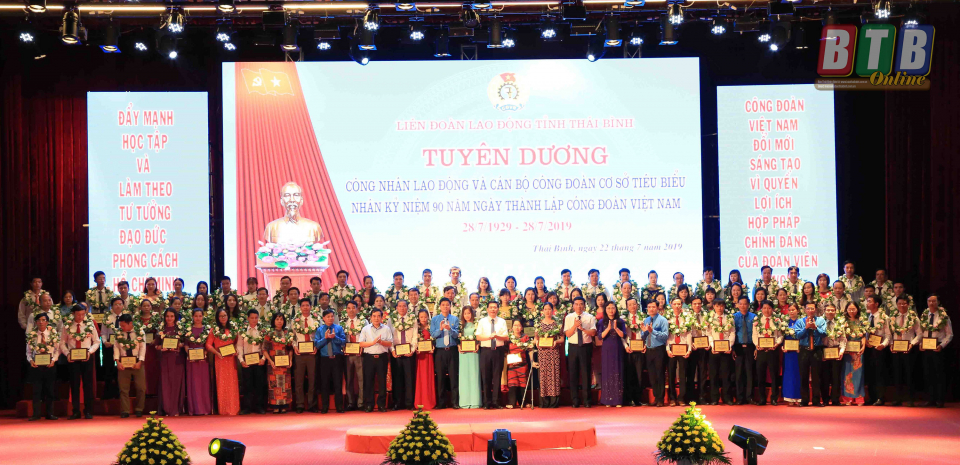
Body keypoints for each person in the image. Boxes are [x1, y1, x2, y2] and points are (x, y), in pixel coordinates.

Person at [60, 304, 99, 419]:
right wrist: (67, 354)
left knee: (88, 384)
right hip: (73, 359)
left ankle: (88, 411)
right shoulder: (67, 325)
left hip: (87, 357)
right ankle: (76, 411)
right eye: (78, 315)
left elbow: (97, 341)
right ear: (73, 314)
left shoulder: (89, 324)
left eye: (83, 314)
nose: (81, 317)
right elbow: (62, 343)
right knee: (74, 384)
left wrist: (90, 352)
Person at [919, 294, 952, 408]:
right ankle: (930, 399)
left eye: (934, 301)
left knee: (939, 374)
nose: (931, 303)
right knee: (928, 373)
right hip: (926, 346)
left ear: (938, 302)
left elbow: (949, 334)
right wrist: (920, 344)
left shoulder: (944, 316)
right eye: (929, 301)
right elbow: (921, 332)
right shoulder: (924, 315)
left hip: (938, 347)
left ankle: (940, 399)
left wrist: (942, 345)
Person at [26, 312, 59, 421]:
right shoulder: (32, 335)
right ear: (36, 322)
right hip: (36, 366)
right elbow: (28, 352)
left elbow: (57, 350)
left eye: (43, 320)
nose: (41, 322)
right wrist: (31, 360)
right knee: (36, 391)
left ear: (47, 322)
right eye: (39, 320)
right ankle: (36, 414)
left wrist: (53, 360)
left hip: (50, 365)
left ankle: (50, 414)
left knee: (50, 390)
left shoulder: (53, 333)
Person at [564, 297, 597, 408]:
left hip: (585, 347)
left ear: (584, 305)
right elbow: (568, 334)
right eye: (576, 304)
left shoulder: (590, 317)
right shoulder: (569, 317)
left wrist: (582, 329)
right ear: (573, 306)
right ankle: (575, 400)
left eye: (581, 304)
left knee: (586, 373)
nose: (579, 306)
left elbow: (593, 333)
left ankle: (587, 400)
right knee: (573, 373)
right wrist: (575, 326)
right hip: (573, 347)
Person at [206, 308, 240, 415]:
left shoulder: (233, 329)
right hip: (220, 359)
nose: (223, 318)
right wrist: (216, 353)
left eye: (224, 315)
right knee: (222, 384)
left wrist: (236, 350)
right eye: (221, 316)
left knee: (232, 384)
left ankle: (234, 408)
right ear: (217, 317)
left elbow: (237, 342)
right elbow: (208, 345)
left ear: (228, 316)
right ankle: (223, 409)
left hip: (231, 360)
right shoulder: (214, 330)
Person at [358, 308, 393, 412]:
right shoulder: (365, 329)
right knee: (368, 381)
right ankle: (369, 404)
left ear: (382, 318)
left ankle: (381, 404)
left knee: (382, 381)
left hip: (382, 357)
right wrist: (373, 342)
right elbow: (361, 343)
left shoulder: (386, 329)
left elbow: (390, 343)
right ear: (371, 317)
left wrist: (381, 342)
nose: (376, 318)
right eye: (374, 316)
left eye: (378, 316)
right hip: (369, 358)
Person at [887, 296, 919, 406]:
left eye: (904, 303)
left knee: (909, 374)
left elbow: (919, 334)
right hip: (896, 349)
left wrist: (912, 344)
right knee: (897, 374)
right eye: (899, 303)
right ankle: (897, 398)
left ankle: (910, 399)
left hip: (909, 349)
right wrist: (891, 344)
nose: (902, 305)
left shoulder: (913, 318)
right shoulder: (892, 318)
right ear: (896, 305)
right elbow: (889, 334)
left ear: (908, 305)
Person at [113, 314, 147, 418]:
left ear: (130, 323)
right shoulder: (118, 333)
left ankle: (139, 409)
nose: (121, 327)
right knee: (123, 389)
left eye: (123, 325)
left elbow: (143, 347)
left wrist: (140, 361)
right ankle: (125, 410)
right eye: (120, 325)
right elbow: (116, 347)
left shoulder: (140, 332)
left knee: (141, 388)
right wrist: (117, 362)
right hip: (123, 363)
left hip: (137, 362)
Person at [476, 301, 508, 409]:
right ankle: (487, 402)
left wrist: (497, 336)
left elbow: (506, 337)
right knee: (486, 377)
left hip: (498, 351)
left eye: (495, 307)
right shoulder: (482, 321)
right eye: (491, 307)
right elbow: (478, 337)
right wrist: (489, 337)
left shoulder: (502, 321)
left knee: (497, 376)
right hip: (486, 351)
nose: (493, 309)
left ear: (498, 309)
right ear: (487, 309)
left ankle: (496, 401)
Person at [315, 309, 347, 413]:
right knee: (325, 383)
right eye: (328, 317)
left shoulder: (338, 328)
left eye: (332, 316)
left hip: (337, 358)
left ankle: (339, 406)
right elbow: (317, 345)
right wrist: (325, 338)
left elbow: (343, 342)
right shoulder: (320, 330)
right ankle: (325, 406)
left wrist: (334, 337)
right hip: (324, 359)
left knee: (338, 383)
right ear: (323, 318)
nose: (330, 318)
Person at [794, 303, 826, 407]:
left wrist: (815, 327)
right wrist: (806, 328)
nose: (810, 310)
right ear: (805, 310)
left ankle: (816, 400)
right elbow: (797, 335)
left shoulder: (821, 320)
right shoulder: (800, 321)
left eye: (812, 308)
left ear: (815, 309)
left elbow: (824, 333)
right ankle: (804, 400)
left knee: (817, 376)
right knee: (804, 376)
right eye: (808, 308)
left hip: (817, 350)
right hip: (804, 350)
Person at [431, 297, 460, 409]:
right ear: (440, 306)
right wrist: (440, 329)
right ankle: (441, 402)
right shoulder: (435, 319)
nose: (445, 307)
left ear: (450, 306)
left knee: (453, 377)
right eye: (443, 305)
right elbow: (433, 335)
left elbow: (456, 335)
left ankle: (454, 402)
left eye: (447, 305)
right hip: (440, 351)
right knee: (440, 377)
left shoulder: (454, 319)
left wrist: (450, 329)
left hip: (452, 350)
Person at [752, 300, 782, 406]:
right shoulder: (757, 320)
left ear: (772, 309)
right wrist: (757, 345)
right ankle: (762, 399)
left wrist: (777, 344)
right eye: (764, 308)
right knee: (761, 376)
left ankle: (774, 398)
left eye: (769, 308)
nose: (766, 310)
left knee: (774, 375)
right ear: (761, 309)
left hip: (773, 351)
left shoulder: (777, 320)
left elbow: (780, 336)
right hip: (761, 351)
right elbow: (754, 335)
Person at [292, 298, 319, 413]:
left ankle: (312, 404)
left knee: (313, 380)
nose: (305, 307)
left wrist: (316, 346)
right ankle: (300, 404)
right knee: (299, 380)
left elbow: (319, 335)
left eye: (307, 305)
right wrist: (294, 346)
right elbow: (292, 336)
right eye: (303, 305)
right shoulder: (295, 321)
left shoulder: (316, 319)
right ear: (300, 307)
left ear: (311, 307)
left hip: (312, 353)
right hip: (299, 353)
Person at [237, 310, 267, 415]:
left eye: (256, 318)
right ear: (248, 318)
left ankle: (259, 406)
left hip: (259, 360)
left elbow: (265, 346)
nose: (254, 320)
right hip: (247, 360)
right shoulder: (242, 331)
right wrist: (241, 360)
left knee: (259, 384)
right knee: (247, 384)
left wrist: (263, 358)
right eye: (252, 318)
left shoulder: (262, 331)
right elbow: (239, 346)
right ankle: (247, 407)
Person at [182, 308, 212, 416]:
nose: (198, 318)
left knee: (203, 384)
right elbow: (186, 345)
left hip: (203, 360)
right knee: (193, 384)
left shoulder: (207, 329)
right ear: (192, 317)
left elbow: (209, 344)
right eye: (196, 316)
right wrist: (190, 353)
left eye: (200, 316)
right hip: (191, 361)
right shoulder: (188, 329)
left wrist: (204, 353)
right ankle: (194, 409)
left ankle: (205, 409)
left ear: (203, 317)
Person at [156, 308, 185, 416]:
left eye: (172, 316)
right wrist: (162, 347)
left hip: (177, 360)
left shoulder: (180, 329)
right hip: (165, 359)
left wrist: (178, 345)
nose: (169, 318)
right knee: (165, 384)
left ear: (175, 317)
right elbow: (156, 345)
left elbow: (184, 343)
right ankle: (166, 408)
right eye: (167, 316)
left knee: (176, 384)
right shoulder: (161, 329)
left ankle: (175, 409)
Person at [640, 301, 669, 406]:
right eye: (649, 307)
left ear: (657, 308)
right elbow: (643, 336)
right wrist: (644, 332)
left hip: (659, 349)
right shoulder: (646, 320)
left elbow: (665, 336)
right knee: (652, 375)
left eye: (653, 307)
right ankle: (656, 397)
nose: (651, 309)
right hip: (649, 350)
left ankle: (661, 399)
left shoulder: (663, 320)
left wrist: (653, 331)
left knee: (660, 374)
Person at [705, 300, 734, 405]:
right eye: (717, 306)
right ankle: (714, 398)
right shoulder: (710, 318)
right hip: (714, 350)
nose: (719, 308)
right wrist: (713, 346)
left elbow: (732, 333)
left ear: (724, 306)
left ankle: (727, 398)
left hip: (726, 350)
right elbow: (708, 333)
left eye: (721, 306)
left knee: (726, 375)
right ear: (714, 306)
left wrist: (729, 346)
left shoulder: (729, 318)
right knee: (713, 375)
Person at [862, 295, 890, 405]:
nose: (867, 303)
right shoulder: (867, 317)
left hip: (879, 348)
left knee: (879, 373)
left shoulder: (884, 317)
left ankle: (880, 397)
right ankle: (871, 397)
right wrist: (866, 341)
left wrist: (883, 345)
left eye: (869, 301)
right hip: (869, 348)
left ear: (876, 304)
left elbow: (888, 335)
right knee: (870, 373)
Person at [391, 300, 419, 410]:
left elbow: (415, 336)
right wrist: (392, 350)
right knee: (397, 378)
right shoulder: (391, 319)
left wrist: (412, 350)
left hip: (409, 352)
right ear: (396, 308)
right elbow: (389, 336)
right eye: (400, 306)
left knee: (409, 378)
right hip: (396, 353)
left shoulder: (412, 318)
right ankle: (397, 403)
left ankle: (409, 403)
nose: (402, 308)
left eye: (404, 306)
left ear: (407, 307)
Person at [597, 301, 626, 407]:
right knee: (607, 372)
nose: (611, 310)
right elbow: (600, 336)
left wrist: (616, 328)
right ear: (605, 310)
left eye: (613, 308)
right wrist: (608, 328)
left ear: (616, 309)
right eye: (608, 308)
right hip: (607, 349)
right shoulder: (601, 322)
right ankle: (607, 400)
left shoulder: (620, 321)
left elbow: (623, 335)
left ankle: (618, 400)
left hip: (617, 348)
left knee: (618, 371)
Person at [264, 312, 293, 413]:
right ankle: (275, 406)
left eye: (281, 319)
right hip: (273, 364)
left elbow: (290, 348)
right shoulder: (269, 333)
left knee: (285, 385)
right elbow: (264, 349)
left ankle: (284, 405)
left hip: (285, 364)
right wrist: (270, 361)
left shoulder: (287, 333)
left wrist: (290, 360)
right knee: (274, 384)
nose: (279, 321)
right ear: (273, 321)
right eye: (277, 319)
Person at [536, 302, 563, 408]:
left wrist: (556, 342)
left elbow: (562, 338)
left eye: (549, 309)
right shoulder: (539, 323)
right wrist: (537, 343)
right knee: (543, 376)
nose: (547, 311)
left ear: (552, 310)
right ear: (542, 311)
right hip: (542, 353)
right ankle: (544, 401)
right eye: (545, 309)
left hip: (553, 352)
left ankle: (553, 401)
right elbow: (536, 338)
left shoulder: (557, 323)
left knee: (553, 375)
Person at [665, 298, 691, 407]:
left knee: (683, 374)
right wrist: (667, 349)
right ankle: (672, 398)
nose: (677, 306)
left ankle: (681, 398)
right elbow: (666, 335)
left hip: (683, 348)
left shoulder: (686, 317)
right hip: (671, 349)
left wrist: (689, 349)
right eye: (675, 304)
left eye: (679, 304)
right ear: (671, 305)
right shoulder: (667, 318)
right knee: (671, 374)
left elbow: (689, 334)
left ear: (682, 305)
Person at [840, 301, 867, 405]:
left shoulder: (861, 321)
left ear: (857, 309)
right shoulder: (843, 321)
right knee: (847, 374)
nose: (851, 311)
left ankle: (859, 397)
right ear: (846, 310)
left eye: (853, 309)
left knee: (858, 373)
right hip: (847, 351)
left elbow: (864, 335)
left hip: (858, 351)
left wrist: (863, 346)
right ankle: (848, 398)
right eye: (849, 309)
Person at [341, 301, 366, 410]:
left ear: (357, 309)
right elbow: (340, 337)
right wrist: (343, 348)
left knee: (361, 379)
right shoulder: (343, 322)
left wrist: (362, 348)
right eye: (349, 308)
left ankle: (361, 403)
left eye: (353, 307)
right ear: (346, 309)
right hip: (347, 354)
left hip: (360, 353)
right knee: (349, 378)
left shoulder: (363, 321)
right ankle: (350, 402)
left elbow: (367, 336)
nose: (351, 310)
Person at [622, 298, 646, 407]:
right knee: (629, 375)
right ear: (627, 307)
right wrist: (625, 346)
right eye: (630, 304)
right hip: (629, 350)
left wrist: (645, 344)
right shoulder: (624, 319)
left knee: (639, 375)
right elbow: (622, 335)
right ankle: (629, 399)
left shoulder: (643, 317)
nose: (632, 306)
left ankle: (638, 399)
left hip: (640, 349)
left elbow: (647, 333)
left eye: (634, 304)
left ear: (637, 305)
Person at [732, 296, 756, 405]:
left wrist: (756, 347)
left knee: (750, 373)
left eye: (745, 304)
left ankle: (750, 397)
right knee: (739, 373)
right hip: (738, 346)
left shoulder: (754, 317)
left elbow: (756, 333)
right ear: (737, 305)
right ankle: (739, 397)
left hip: (750, 346)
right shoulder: (734, 317)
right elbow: (732, 333)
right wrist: (732, 348)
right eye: (740, 304)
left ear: (748, 305)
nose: (743, 306)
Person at [686, 296, 709, 403]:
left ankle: (702, 396)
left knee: (702, 372)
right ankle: (691, 396)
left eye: (699, 303)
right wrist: (691, 344)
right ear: (691, 305)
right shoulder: (687, 316)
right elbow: (686, 332)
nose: (697, 305)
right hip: (692, 346)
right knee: (691, 372)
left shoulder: (706, 315)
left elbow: (709, 330)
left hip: (703, 346)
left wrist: (709, 343)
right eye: (695, 304)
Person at [457, 306, 481, 409]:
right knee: (464, 376)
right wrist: (458, 346)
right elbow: (457, 339)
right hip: (463, 354)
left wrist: (478, 345)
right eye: (465, 313)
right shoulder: (460, 326)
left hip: (474, 353)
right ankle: (464, 401)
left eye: (469, 313)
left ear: (472, 314)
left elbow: (479, 338)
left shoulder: (477, 324)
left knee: (474, 375)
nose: (467, 315)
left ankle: (475, 401)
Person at [505, 320, 532, 408]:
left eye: (519, 325)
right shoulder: (508, 338)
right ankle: (511, 403)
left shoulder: (525, 337)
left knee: (523, 384)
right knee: (512, 383)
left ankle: (523, 402)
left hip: (522, 364)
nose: (517, 327)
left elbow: (530, 350)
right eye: (515, 325)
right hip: (512, 365)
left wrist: (532, 361)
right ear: (512, 327)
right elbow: (505, 351)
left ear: (522, 327)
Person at [414, 308, 437, 409]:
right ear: (418, 318)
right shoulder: (416, 328)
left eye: (425, 317)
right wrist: (416, 349)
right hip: (420, 356)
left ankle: (429, 401)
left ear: (428, 317)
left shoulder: (431, 327)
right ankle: (420, 401)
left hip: (429, 356)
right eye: (421, 317)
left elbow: (435, 339)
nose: (423, 319)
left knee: (428, 377)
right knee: (420, 378)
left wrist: (433, 347)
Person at [781, 304, 803, 405]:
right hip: (788, 353)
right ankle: (789, 398)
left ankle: (799, 398)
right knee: (789, 374)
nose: (791, 312)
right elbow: (781, 336)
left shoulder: (801, 322)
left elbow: (804, 335)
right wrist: (782, 346)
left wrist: (800, 346)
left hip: (798, 352)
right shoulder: (785, 323)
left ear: (798, 311)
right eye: (789, 310)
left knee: (798, 373)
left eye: (793, 310)